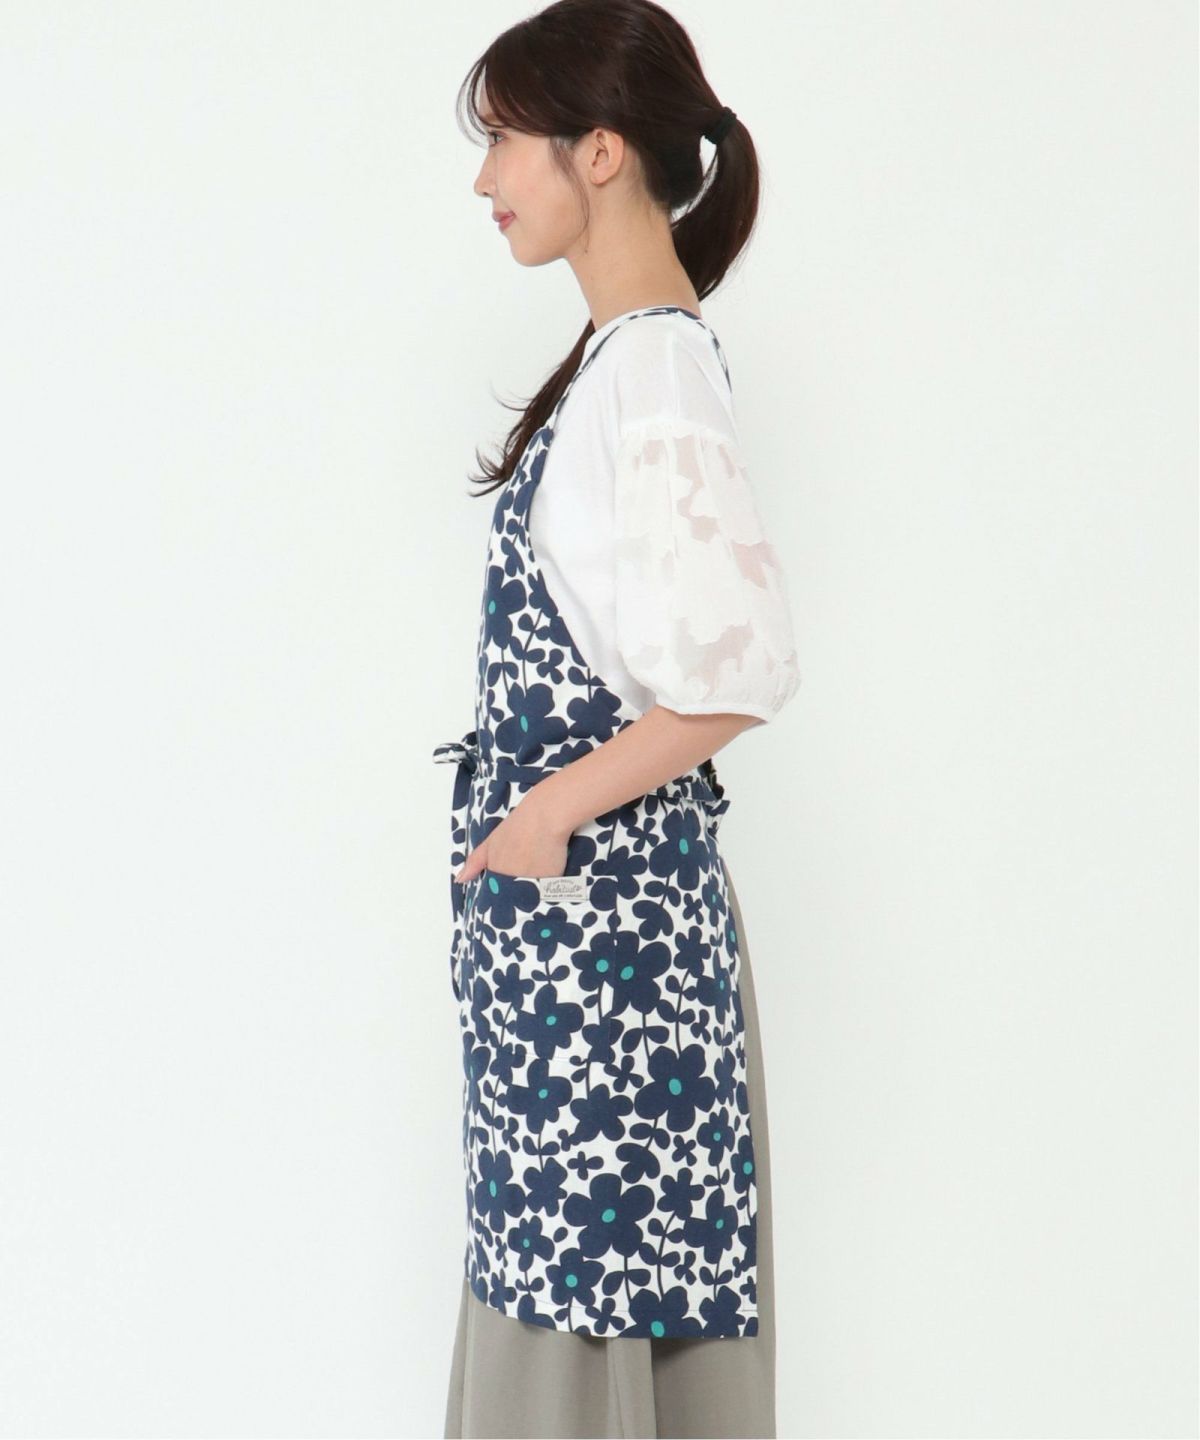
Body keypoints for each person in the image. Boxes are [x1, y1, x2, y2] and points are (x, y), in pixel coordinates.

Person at [433, 2, 801, 1434]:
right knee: (571, 1311)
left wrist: (546, 812)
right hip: (584, 953)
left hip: (612, 966)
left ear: (600, 152)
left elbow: (735, 674)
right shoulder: (621, 362)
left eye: (505, 143)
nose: (485, 180)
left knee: (588, 1329)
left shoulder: (652, 372)